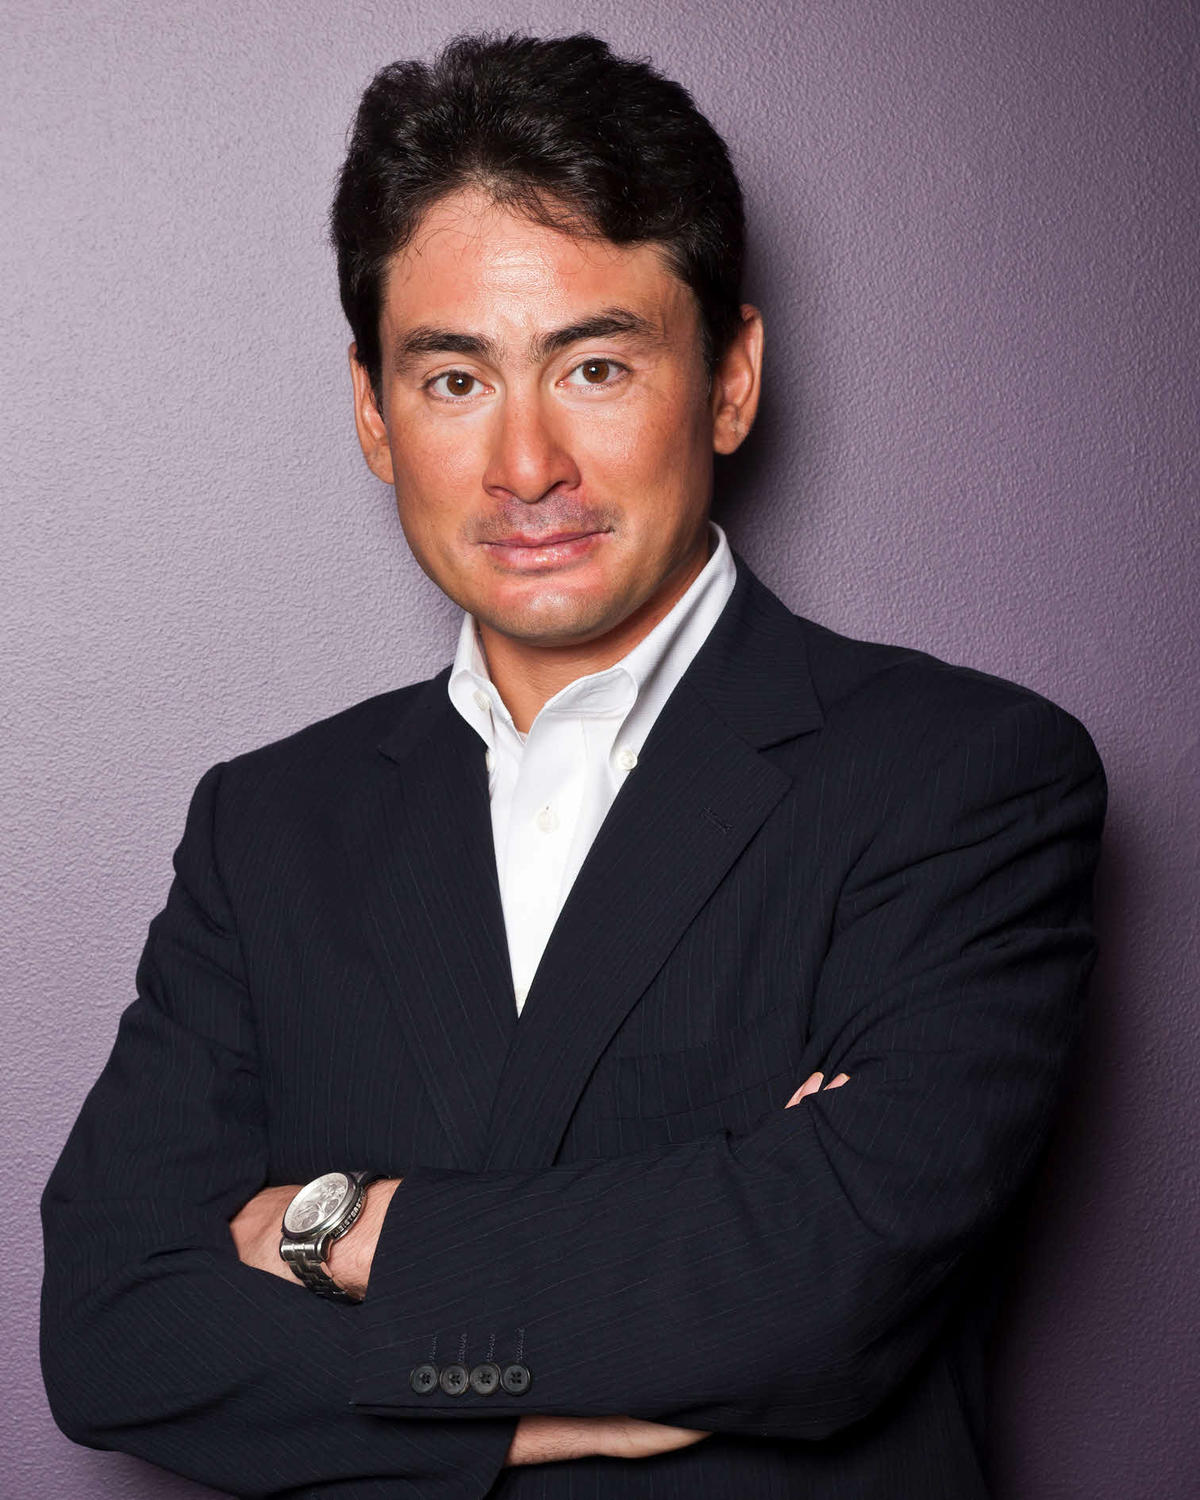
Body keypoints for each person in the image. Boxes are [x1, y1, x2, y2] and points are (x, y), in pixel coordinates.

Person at [39, 29, 1107, 1500]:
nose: (526, 464)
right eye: (455, 379)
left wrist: (332, 1227)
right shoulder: (266, 825)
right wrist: (521, 1404)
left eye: (594, 365)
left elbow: (814, 1288)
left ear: (729, 380)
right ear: (373, 414)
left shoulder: (964, 779)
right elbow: (111, 1333)